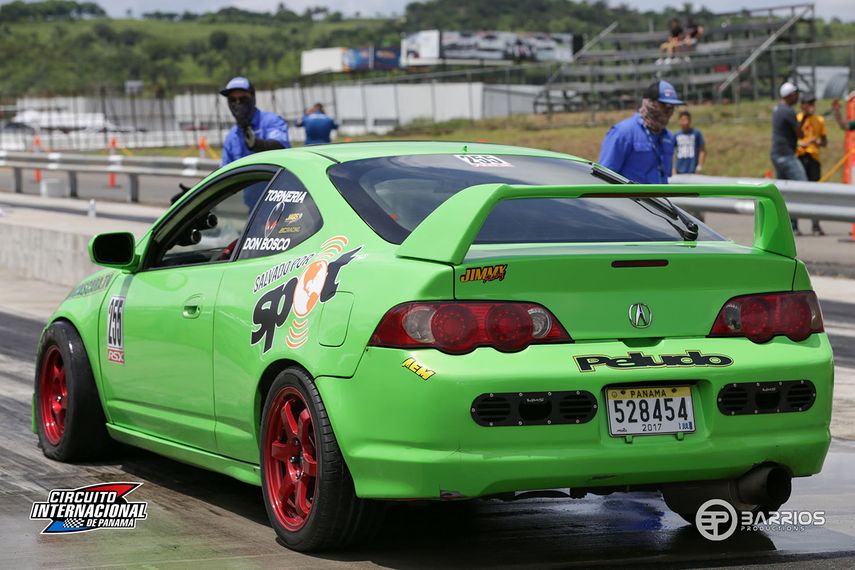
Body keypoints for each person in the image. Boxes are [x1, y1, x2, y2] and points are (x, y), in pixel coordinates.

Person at [219, 76, 291, 207]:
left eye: (242, 99)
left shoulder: (270, 120)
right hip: (250, 207)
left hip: (280, 203)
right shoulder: (232, 136)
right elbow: (223, 175)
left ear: (253, 98)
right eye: (232, 100)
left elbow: (281, 147)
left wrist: (257, 144)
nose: (237, 104)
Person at [598, 80, 683, 184]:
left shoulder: (668, 137)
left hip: (659, 199)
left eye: (672, 107)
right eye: (664, 105)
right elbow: (603, 177)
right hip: (628, 199)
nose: (668, 111)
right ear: (650, 104)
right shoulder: (623, 133)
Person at [770, 81, 808, 235]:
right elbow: (800, 134)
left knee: (785, 192)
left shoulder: (777, 109)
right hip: (786, 155)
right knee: (802, 187)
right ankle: (794, 224)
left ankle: (789, 225)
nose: (797, 97)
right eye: (796, 94)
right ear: (790, 95)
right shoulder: (788, 111)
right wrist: (803, 119)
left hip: (776, 154)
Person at [795, 93, 828, 235]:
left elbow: (825, 141)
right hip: (800, 157)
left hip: (813, 157)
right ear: (802, 105)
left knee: (815, 192)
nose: (811, 106)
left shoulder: (819, 120)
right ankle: (794, 225)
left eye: (812, 103)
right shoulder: (797, 118)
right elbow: (794, 136)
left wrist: (817, 142)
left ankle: (815, 224)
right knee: (797, 192)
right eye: (808, 103)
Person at [673, 110, 706, 174]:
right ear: (679, 121)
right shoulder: (676, 135)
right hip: (679, 170)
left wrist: (699, 167)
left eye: (687, 120)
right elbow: (671, 152)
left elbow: (702, 150)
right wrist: (673, 168)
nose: (685, 122)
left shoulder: (696, 133)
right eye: (683, 120)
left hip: (693, 170)